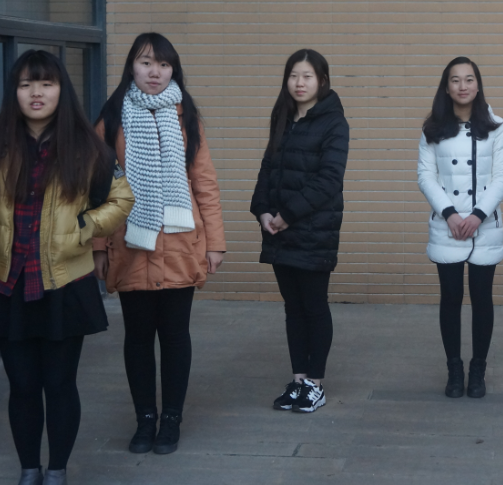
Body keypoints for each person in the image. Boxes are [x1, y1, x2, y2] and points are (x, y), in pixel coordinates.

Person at [0, 50, 134, 485]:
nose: (36, 93)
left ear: (61, 90)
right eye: (26, 85)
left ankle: (56, 470)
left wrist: (85, 226)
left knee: (59, 384)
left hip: (64, 284)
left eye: (46, 84)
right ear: (14, 92)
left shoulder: (85, 147)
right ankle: (28, 470)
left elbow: (122, 199)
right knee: (21, 385)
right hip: (8, 284)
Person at [93, 33, 226, 455]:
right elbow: (95, 189)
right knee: (137, 337)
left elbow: (204, 183)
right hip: (129, 243)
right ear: (131, 66)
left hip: (182, 244)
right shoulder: (111, 118)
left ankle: (171, 419)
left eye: (164, 64)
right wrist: (98, 246)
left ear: (174, 70)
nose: (155, 72)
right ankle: (144, 419)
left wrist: (215, 243)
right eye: (146, 62)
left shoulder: (188, 118)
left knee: (174, 335)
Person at [250, 49, 349, 414]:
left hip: (313, 230)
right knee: (293, 309)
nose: (299, 82)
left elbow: (329, 179)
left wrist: (287, 215)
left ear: (322, 80)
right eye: (294, 75)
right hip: (279, 230)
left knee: (314, 306)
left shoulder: (334, 123)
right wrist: (262, 210)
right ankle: (298, 380)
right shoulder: (283, 117)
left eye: (307, 76)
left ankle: (315, 384)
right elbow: (267, 168)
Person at [417, 56, 503, 399]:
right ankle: (454, 369)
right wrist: (450, 214)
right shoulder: (432, 128)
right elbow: (425, 176)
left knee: (482, 298)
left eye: (469, 79)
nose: (462, 86)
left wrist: (477, 216)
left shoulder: (496, 126)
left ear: (478, 84)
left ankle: (478, 370)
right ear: (446, 87)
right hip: (447, 225)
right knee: (451, 297)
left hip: (484, 226)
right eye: (455, 80)